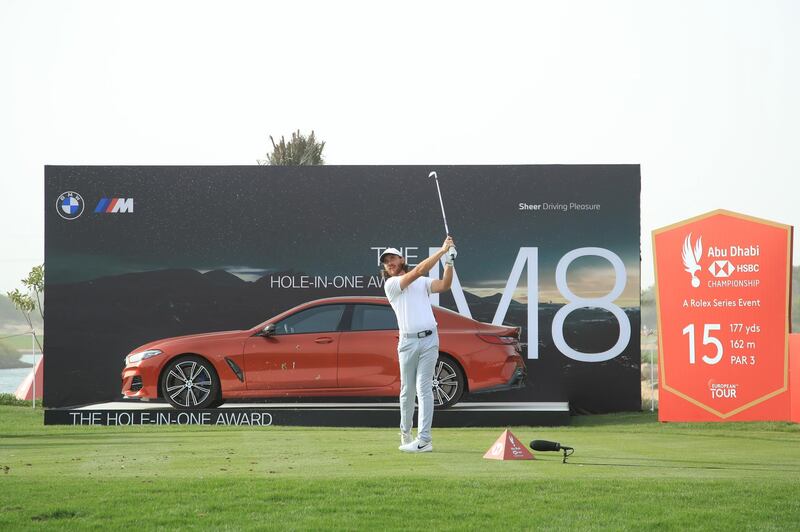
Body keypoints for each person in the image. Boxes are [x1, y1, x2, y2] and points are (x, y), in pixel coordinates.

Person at [379, 237, 455, 453]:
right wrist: (442, 251)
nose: (390, 263)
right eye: (386, 262)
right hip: (408, 342)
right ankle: (405, 433)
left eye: (392, 258)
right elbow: (420, 270)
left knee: (424, 389)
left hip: (430, 339)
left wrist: (449, 262)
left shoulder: (421, 283)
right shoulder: (392, 284)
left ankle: (424, 440)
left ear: (402, 259)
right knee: (407, 390)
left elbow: (444, 285)